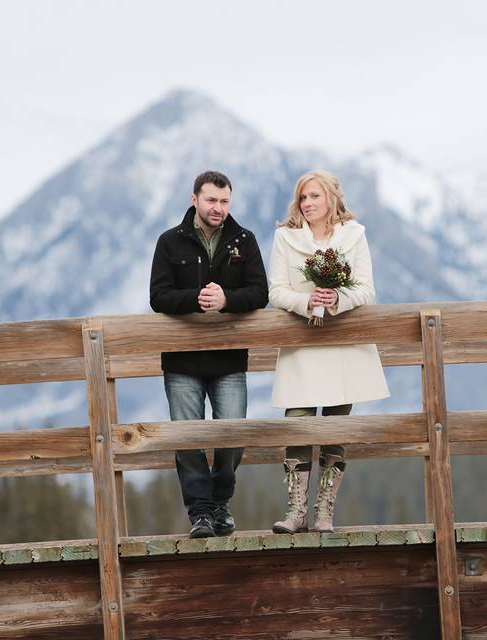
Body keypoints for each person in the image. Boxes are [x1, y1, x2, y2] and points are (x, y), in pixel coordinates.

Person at [267, 170, 389, 534]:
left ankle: (324, 512)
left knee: (337, 427)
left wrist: (338, 297)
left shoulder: (355, 235)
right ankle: (295, 512)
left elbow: (366, 289)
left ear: (332, 198)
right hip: (302, 345)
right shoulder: (285, 238)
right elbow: (276, 291)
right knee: (298, 422)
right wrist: (307, 301)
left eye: (314, 197)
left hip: (343, 345)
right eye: (303, 198)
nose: (307, 204)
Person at [149, 171, 268, 539]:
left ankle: (220, 503)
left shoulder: (244, 240)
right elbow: (158, 296)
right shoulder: (170, 242)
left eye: (224, 201)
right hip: (182, 360)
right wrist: (197, 299)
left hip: (229, 359)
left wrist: (227, 300)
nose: (218, 208)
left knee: (232, 434)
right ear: (194, 199)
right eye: (212, 200)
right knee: (187, 439)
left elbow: (260, 293)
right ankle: (200, 513)